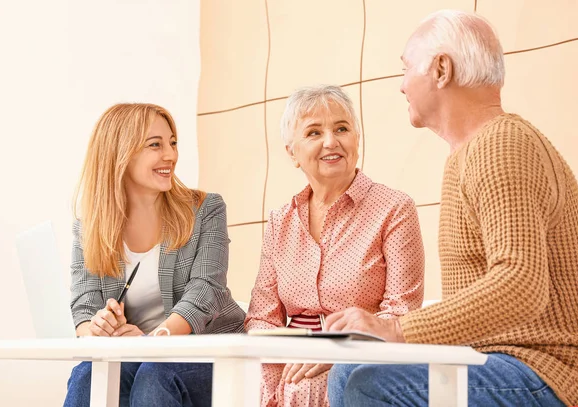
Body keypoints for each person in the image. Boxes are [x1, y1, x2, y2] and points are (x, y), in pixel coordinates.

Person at [326, 9, 578, 407]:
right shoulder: (468, 154)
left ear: (441, 70)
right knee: (349, 371)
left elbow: (520, 285)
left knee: (369, 384)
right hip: (494, 359)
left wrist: (395, 331)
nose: (401, 86)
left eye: (406, 69)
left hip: (547, 369)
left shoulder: (502, 144)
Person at [244, 85, 425, 407]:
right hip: (290, 357)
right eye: (314, 132)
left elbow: (402, 311)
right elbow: (262, 318)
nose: (331, 141)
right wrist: (281, 363)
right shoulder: (280, 221)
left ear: (357, 138)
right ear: (292, 152)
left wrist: (336, 348)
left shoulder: (394, 208)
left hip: (361, 359)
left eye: (341, 128)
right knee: (249, 382)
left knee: (311, 384)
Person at [64, 103, 246, 407]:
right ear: (120, 153)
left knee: (154, 374)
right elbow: (84, 307)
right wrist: (97, 328)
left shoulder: (206, 209)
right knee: (88, 375)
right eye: (155, 145)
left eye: (172, 143)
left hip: (209, 353)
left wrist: (150, 342)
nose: (171, 155)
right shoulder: (90, 227)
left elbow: (205, 293)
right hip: (139, 355)